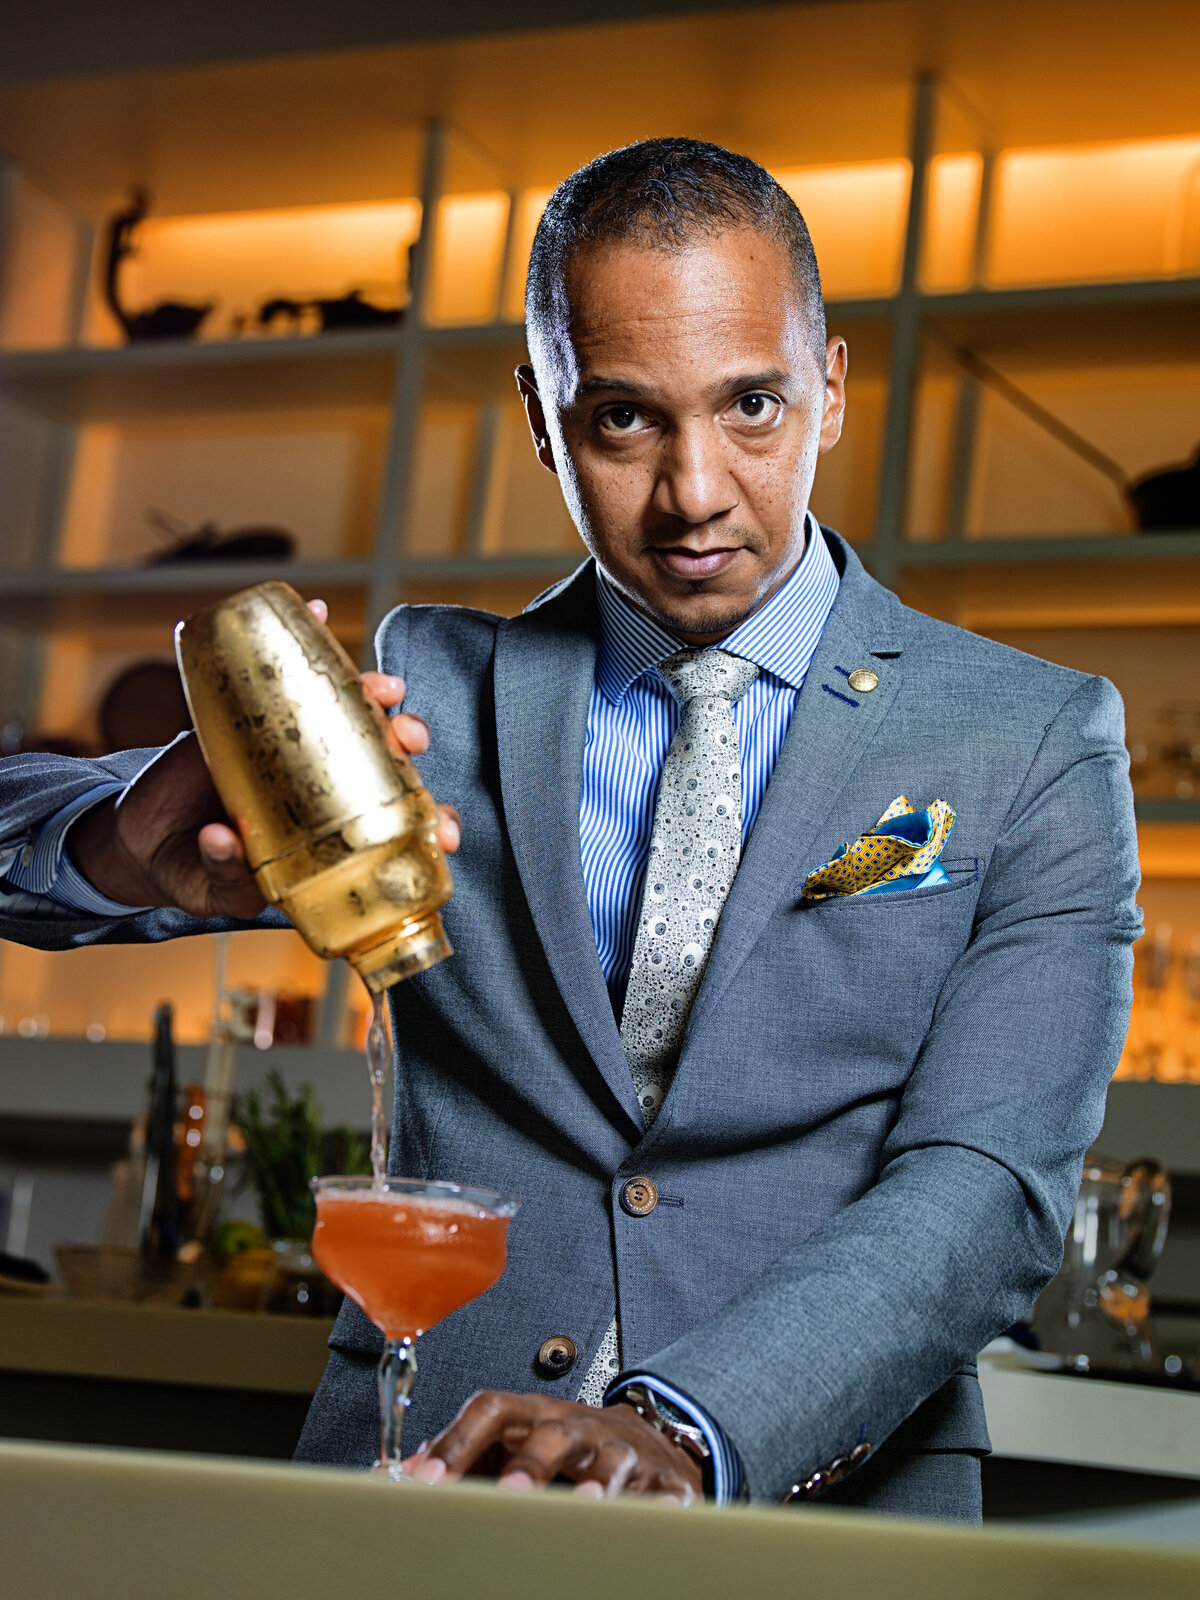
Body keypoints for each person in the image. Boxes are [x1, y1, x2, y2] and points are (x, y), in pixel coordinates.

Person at [0, 139, 1140, 1518]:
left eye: (753, 407)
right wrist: (125, 849)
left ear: (831, 390)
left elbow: (986, 1188)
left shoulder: (1029, 736)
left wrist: (681, 1430)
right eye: (623, 422)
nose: (696, 491)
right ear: (543, 420)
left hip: (831, 1515)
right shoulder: (428, 694)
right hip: (419, 1489)